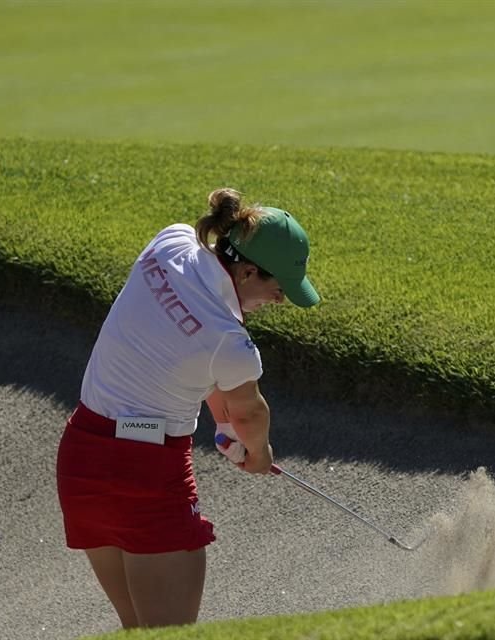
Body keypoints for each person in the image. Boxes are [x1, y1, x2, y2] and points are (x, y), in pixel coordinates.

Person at [56, 188, 320, 629]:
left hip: (82, 460)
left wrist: (221, 421)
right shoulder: (230, 342)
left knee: (136, 630)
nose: (279, 301)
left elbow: (185, 353)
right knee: (167, 635)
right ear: (249, 272)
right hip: (146, 476)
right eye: (278, 289)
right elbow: (252, 414)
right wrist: (259, 456)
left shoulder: (171, 241)